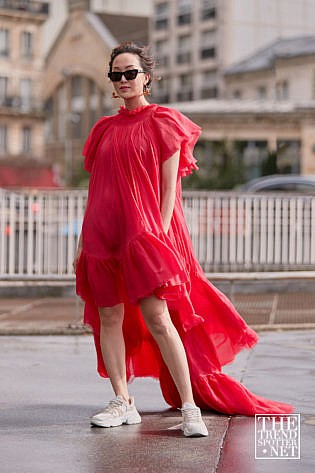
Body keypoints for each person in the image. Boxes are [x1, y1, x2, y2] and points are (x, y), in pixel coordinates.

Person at [74, 42, 293, 437]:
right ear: (111, 82)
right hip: (101, 235)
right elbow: (98, 187)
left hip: (144, 235)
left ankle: (190, 406)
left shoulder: (164, 121)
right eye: (116, 74)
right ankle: (123, 401)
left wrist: (157, 233)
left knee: (159, 318)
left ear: (147, 77)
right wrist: (83, 241)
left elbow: (168, 188)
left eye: (130, 73)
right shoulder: (102, 129)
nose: (123, 80)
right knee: (109, 316)